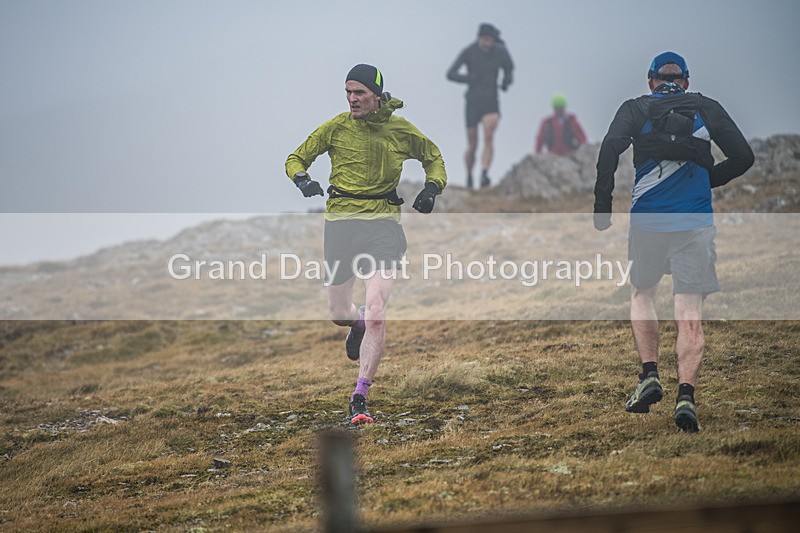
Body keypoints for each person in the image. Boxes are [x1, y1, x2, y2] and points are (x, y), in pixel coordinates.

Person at [593, 51, 754, 432]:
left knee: (642, 294)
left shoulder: (635, 109)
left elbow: (608, 150)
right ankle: (686, 396)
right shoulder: (705, 107)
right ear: (685, 79)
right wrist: (706, 180)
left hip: (648, 220)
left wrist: (603, 206)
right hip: (694, 221)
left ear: (650, 80)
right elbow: (744, 156)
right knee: (689, 309)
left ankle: (649, 374)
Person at [285, 64, 447, 425]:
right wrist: (302, 179)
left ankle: (360, 397)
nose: (352, 99)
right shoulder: (336, 127)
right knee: (339, 313)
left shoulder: (400, 130)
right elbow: (296, 157)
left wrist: (432, 188)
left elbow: (432, 156)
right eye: (348, 92)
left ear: (376, 95)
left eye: (359, 92)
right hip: (340, 223)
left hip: (382, 225)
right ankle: (354, 323)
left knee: (377, 311)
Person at [447, 23, 514, 189]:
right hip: (472, 101)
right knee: (472, 144)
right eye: (484, 40)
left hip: (491, 100)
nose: (486, 43)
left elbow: (509, 68)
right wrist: (469, 78)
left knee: (489, 136)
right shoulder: (469, 52)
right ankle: (469, 174)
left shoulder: (500, 51)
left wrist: (506, 81)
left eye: (489, 40)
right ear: (479, 39)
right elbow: (450, 74)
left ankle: (484, 173)